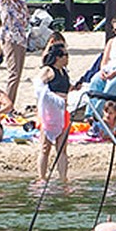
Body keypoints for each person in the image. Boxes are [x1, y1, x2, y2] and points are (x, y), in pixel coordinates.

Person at [35, 43, 72, 181]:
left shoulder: (64, 72)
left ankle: (63, 178)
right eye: (66, 55)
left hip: (63, 112)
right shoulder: (48, 70)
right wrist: (54, 99)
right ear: (58, 57)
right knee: (45, 147)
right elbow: (38, 87)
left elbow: (67, 88)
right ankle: (42, 178)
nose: (68, 58)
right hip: (50, 113)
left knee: (62, 148)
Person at [0, 0, 30, 106]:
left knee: (18, 74)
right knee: (13, 73)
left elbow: (26, 19)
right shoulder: (5, 2)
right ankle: (7, 106)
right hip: (9, 38)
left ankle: (11, 104)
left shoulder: (21, 3)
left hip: (21, 39)